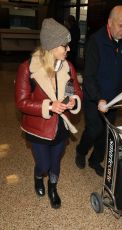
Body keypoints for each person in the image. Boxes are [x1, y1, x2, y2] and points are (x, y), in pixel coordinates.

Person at [15, 18, 82, 209]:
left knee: (56, 163)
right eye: (65, 45)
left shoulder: (68, 67)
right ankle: (38, 177)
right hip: (39, 128)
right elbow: (21, 102)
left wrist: (72, 101)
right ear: (52, 46)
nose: (68, 49)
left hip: (61, 125)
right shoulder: (27, 68)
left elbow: (76, 91)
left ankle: (53, 188)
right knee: (43, 165)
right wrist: (49, 106)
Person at [75, 5, 122, 176]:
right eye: (121, 25)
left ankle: (95, 160)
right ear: (110, 22)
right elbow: (88, 76)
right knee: (94, 129)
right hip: (94, 96)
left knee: (106, 133)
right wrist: (98, 98)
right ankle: (81, 151)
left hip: (113, 97)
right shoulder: (96, 41)